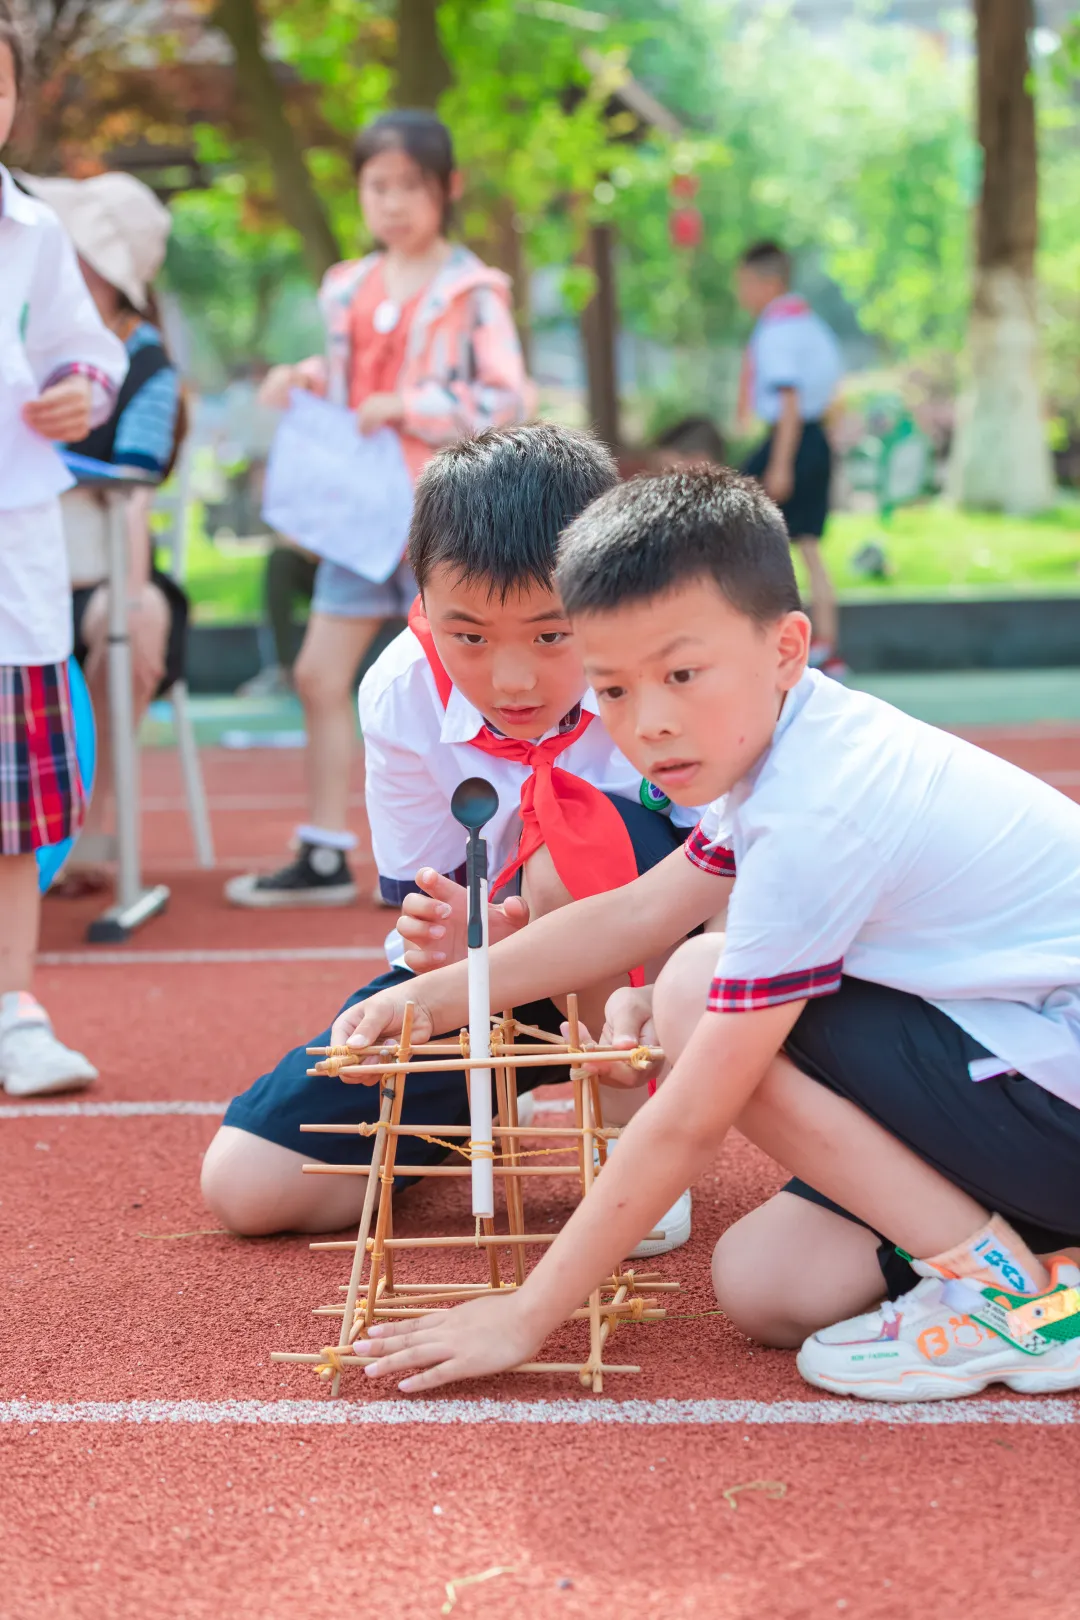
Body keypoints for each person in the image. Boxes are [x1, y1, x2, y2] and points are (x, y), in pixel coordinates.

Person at [334, 466, 1080, 1404]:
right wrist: (426, 995)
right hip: (1014, 1073)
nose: (650, 722)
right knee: (771, 1286)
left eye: (682, 675)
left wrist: (527, 1312)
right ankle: (1047, 1269)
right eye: (610, 690)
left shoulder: (820, 804)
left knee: (694, 987)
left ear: (786, 646)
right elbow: (644, 908)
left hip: (1051, 1092)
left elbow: (691, 1115)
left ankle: (1009, 1298)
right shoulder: (781, 744)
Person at [203, 424, 702, 1252]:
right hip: (487, 983)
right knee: (249, 1187)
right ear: (422, 596)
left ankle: (631, 1142)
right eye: (469, 634)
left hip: (652, 969)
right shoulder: (399, 690)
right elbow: (426, 907)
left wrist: (579, 939)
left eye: (552, 634)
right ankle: (482, 1105)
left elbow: (729, 874)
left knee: (563, 847)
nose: (511, 679)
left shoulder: (670, 672)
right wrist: (452, 938)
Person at [226, 109, 528, 909]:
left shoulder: (473, 292)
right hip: (359, 520)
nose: (392, 203)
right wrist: (300, 380)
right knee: (320, 673)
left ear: (447, 189)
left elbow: (507, 397)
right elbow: (341, 380)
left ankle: (478, 854)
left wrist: (410, 406)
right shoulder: (347, 288)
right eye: (377, 186)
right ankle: (327, 848)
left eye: (410, 186)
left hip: (442, 520)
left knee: (451, 684)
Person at [0, 8, 128, 1095]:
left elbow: (86, 357)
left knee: (7, 816)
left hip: (10, 547)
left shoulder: (31, 230)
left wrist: (80, 395)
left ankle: (13, 1012)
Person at [19, 170, 185, 894]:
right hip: (22, 560)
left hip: (105, 566)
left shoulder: (149, 364)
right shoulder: (19, 328)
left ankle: (84, 831)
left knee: (135, 627)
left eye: (82, 250)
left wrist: (136, 587)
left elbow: (134, 487)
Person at [735, 242, 845, 678]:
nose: (741, 294)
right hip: (813, 437)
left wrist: (781, 465)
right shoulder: (811, 324)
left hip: (790, 439)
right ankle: (825, 646)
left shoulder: (779, 331)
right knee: (808, 548)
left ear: (769, 283)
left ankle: (773, 644)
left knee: (749, 538)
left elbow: (790, 401)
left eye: (744, 284)